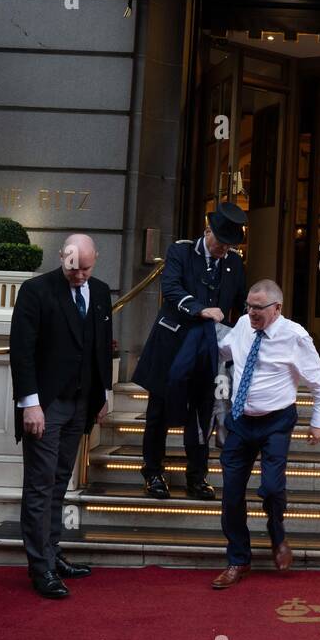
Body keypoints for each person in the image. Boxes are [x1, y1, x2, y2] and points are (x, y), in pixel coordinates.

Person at [9, 235, 113, 598]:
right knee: (39, 483)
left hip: (83, 403)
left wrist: (104, 393)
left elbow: (103, 344)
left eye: (86, 268)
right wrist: (30, 404)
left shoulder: (99, 291)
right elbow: (21, 350)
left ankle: (52, 553)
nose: (80, 275)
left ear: (95, 260)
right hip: (47, 404)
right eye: (74, 268)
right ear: (61, 258)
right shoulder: (36, 290)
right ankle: (40, 567)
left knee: (60, 481)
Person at [211, 279, 320, 590]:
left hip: (276, 422)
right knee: (231, 494)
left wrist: (317, 423)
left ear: (277, 308)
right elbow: (224, 350)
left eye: (258, 308)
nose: (251, 312)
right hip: (240, 421)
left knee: (272, 487)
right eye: (249, 306)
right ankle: (239, 559)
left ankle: (277, 533)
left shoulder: (295, 336)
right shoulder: (241, 325)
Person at [132, 203, 247, 501]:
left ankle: (197, 476)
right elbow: (170, 289)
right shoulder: (180, 252)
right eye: (221, 242)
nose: (224, 249)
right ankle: (153, 472)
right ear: (208, 230)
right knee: (157, 413)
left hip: (209, 352)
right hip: (172, 345)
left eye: (230, 244)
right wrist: (200, 309)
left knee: (203, 413)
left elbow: (242, 302)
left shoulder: (234, 264)